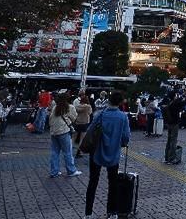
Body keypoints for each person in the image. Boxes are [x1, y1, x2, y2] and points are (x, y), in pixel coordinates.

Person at [84, 91, 131, 219]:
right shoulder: (123, 117)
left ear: (108, 101)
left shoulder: (100, 114)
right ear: (120, 103)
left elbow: (89, 131)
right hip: (113, 153)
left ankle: (88, 213)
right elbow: (126, 136)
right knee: (113, 183)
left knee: (92, 183)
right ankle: (113, 212)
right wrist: (123, 143)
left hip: (97, 152)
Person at [48, 93, 81, 178]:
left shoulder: (55, 107)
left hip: (54, 132)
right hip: (64, 131)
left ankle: (54, 171)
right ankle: (71, 170)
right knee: (67, 152)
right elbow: (75, 118)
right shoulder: (69, 107)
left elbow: (50, 119)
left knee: (55, 152)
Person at [161, 91, 185, 164]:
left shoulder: (169, 102)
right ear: (174, 96)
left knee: (169, 140)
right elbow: (183, 103)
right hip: (175, 123)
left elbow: (178, 101)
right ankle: (171, 158)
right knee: (173, 140)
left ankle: (166, 157)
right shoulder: (175, 103)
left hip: (169, 123)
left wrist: (182, 97)